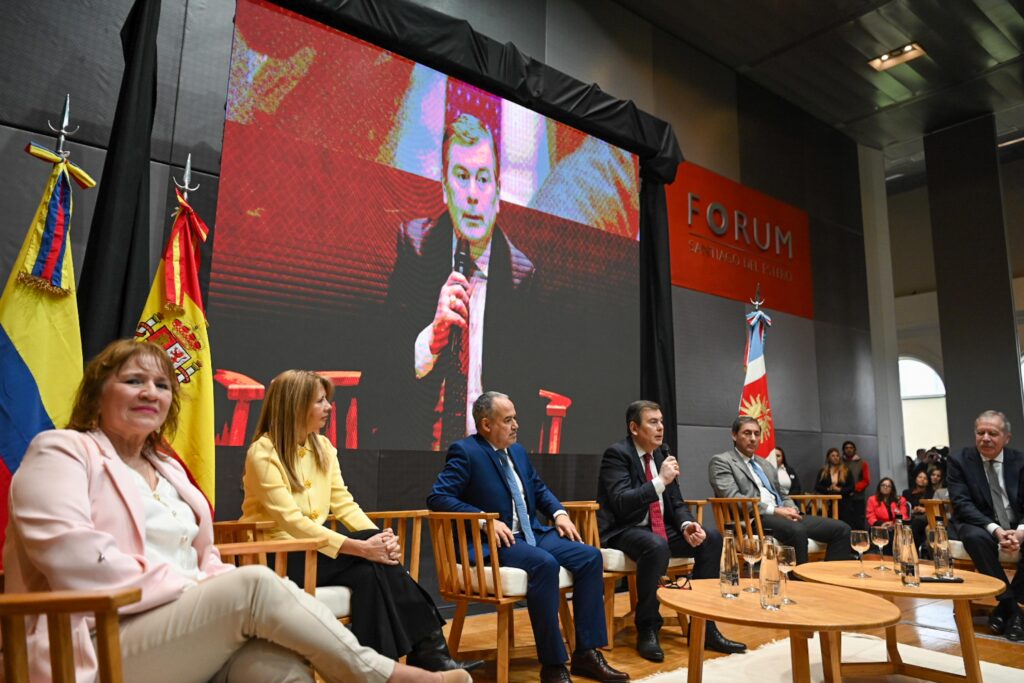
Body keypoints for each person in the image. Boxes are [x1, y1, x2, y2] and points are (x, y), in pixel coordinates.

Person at [1, 339, 468, 683]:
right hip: (94, 638)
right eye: (133, 381)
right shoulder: (61, 451)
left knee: (281, 668)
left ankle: (425, 652)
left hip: (190, 620)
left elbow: (205, 556)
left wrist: (374, 537)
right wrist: (196, 591)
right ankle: (384, 675)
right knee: (255, 584)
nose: (151, 392)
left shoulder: (167, 469)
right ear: (97, 393)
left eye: (162, 384)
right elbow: (75, 559)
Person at [240, 370, 481, 672]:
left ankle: (381, 668)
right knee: (371, 563)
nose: (329, 407)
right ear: (295, 406)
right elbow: (292, 522)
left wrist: (379, 540)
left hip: (316, 551)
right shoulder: (263, 453)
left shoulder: (323, 447)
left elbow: (344, 504)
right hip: (275, 555)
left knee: (372, 571)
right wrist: (362, 548)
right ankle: (427, 652)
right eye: (320, 401)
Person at [428, 392, 628, 683]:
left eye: (515, 418)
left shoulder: (517, 452)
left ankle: (586, 653)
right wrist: (484, 520)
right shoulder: (465, 452)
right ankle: (553, 664)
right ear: (486, 424)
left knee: (589, 557)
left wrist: (558, 513)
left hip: (532, 532)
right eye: (508, 420)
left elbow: (538, 487)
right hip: (496, 543)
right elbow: (438, 496)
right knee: (544, 565)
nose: (516, 425)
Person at [381, 113, 536, 450]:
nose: (472, 194)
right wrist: (431, 339)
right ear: (444, 187)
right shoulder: (415, 244)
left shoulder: (521, 275)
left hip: (490, 454)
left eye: (483, 179)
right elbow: (385, 365)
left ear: (498, 193)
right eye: (461, 177)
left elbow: (525, 393)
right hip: (418, 447)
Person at [596, 401, 746, 661]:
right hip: (624, 529)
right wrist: (659, 481)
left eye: (661, 421)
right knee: (655, 546)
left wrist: (688, 525)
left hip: (659, 528)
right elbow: (621, 502)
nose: (660, 427)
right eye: (652, 422)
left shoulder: (662, 453)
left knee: (711, 539)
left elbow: (676, 503)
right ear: (634, 427)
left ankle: (705, 625)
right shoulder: (617, 454)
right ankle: (648, 628)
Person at [708, 416, 852, 565]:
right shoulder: (722, 461)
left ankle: (828, 580)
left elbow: (782, 493)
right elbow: (733, 499)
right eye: (747, 433)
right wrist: (775, 511)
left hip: (782, 515)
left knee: (842, 529)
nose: (752, 438)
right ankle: (800, 583)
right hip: (753, 519)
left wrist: (792, 509)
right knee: (797, 531)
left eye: (757, 434)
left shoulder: (764, 463)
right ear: (734, 435)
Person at [946, 410, 1024, 642]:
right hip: (978, 523)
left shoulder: (1020, 461)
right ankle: (1013, 608)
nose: (986, 438)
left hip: (1015, 524)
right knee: (975, 538)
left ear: (1006, 438)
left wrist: (1020, 532)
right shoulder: (959, 460)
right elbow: (962, 504)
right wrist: (996, 530)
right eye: (981, 433)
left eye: (993, 433)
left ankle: (1005, 610)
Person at [814, 448, 857, 528]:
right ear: (828, 458)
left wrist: (839, 489)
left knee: (844, 524)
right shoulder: (823, 471)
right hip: (828, 503)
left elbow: (852, 487)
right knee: (830, 525)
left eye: (837, 455)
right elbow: (817, 486)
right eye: (833, 456)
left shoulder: (846, 471)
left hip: (844, 502)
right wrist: (828, 489)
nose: (836, 457)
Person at [841, 440, 871, 531]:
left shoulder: (862, 463)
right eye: (846, 448)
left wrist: (853, 489)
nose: (849, 450)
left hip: (857, 497)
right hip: (843, 497)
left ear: (855, 450)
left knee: (858, 522)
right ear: (843, 450)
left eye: (851, 448)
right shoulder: (839, 463)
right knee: (845, 522)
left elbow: (866, 480)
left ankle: (860, 543)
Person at [902, 469, 932, 552]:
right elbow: (904, 507)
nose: (922, 479)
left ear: (928, 481)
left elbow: (933, 507)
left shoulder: (931, 493)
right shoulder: (907, 492)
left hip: (925, 518)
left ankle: (913, 550)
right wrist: (912, 510)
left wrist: (925, 509)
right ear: (915, 479)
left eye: (925, 478)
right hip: (911, 516)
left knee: (916, 523)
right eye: (920, 477)